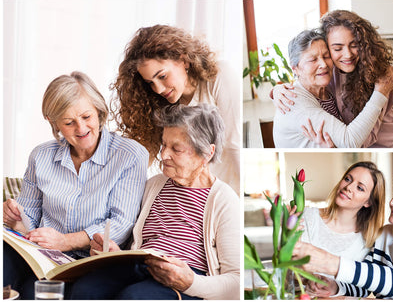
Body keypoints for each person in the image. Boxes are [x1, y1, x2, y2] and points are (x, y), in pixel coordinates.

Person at [69, 104, 241, 300]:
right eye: (164, 144)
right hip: (139, 267)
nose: (163, 155)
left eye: (176, 149)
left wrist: (190, 282)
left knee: (134, 298)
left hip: (186, 279)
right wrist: (115, 252)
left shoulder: (224, 200)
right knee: (84, 289)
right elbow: (135, 243)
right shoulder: (154, 185)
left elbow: (236, 280)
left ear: (207, 153)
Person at [3, 72, 148, 299]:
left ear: (99, 110)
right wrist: (15, 219)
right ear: (55, 124)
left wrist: (65, 241)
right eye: (69, 122)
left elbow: (121, 223)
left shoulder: (129, 155)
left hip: (95, 260)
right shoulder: (40, 156)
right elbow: (29, 220)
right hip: (46, 259)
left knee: (78, 292)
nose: (81, 128)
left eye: (86, 116)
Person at [111, 24, 241, 193]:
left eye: (162, 76)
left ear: (184, 60)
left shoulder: (220, 76)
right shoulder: (160, 103)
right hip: (192, 194)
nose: (158, 89)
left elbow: (234, 144)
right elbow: (144, 157)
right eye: (150, 83)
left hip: (229, 189)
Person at [293, 169, 393, 300]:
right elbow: (367, 285)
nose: (392, 201)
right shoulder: (386, 235)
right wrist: (336, 287)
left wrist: (332, 263)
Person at [272, 10, 393, 148]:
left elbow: (363, 139)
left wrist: (336, 146)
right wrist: (276, 91)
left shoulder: (376, 74)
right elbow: (304, 79)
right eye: (337, 49)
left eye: (354, 45)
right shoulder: (330, 70)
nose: (347, 54)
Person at [301, 161, 385, 264]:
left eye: (360, 188)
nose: (348, 187)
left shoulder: (366, 243)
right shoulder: (307, 216)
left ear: (368, 202)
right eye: (347, 179)